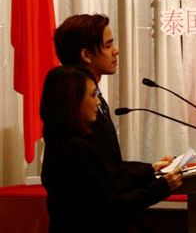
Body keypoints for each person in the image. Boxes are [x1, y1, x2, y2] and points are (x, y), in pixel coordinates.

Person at [40, 65, 182, 233]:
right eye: (93, 95)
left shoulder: (61, 141)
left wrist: (151, 169)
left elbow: (111, 174)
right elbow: (108, 207)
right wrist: (161, 187)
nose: (98, 102)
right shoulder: (73, 149)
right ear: (73, 101)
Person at [53, 14, 171, 175]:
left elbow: (111, 165)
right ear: (86, 55)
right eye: (108, 46)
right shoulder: (77, 109)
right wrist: (162, 184)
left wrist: (152, 168)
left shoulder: (96, 99)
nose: (116, 51)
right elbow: (104, 175)